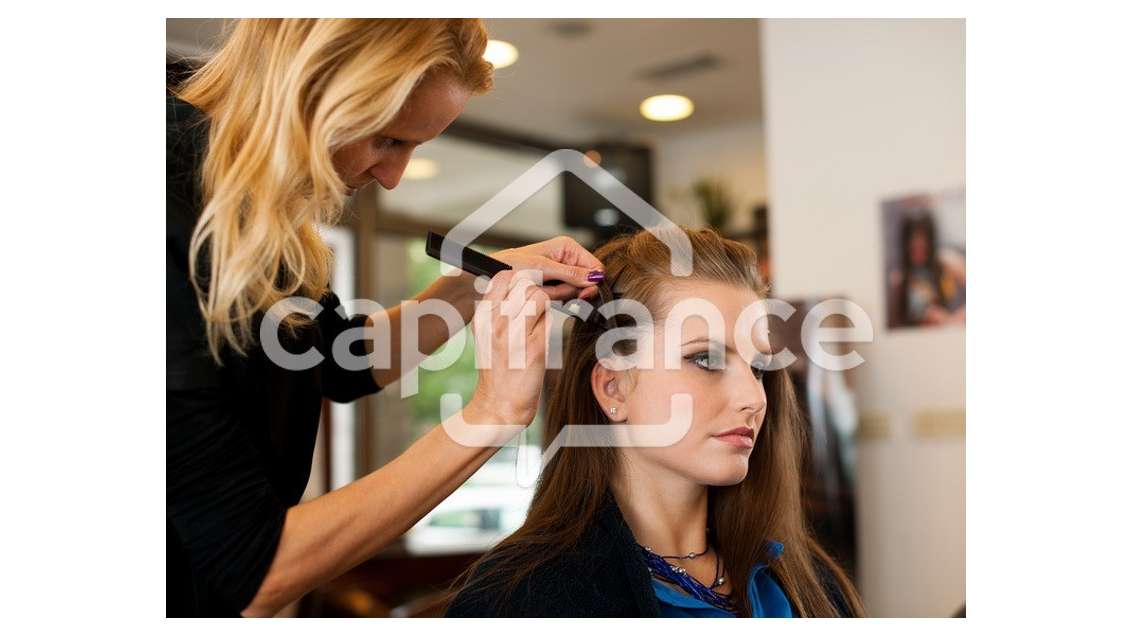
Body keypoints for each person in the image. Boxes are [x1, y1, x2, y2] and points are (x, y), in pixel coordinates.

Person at [167, 19, 605, 617]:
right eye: (388, 140)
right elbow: (251, 567)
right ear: (313, 85)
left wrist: (476, 285)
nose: (393, 177)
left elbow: (342, 357)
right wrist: (492, 415)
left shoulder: (244, 201)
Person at [446, 228, 865, 617]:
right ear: (613, 388)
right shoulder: (523, 600)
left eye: (757, 369)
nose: (753, 399)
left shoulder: (806, 583)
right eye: (705, 359)